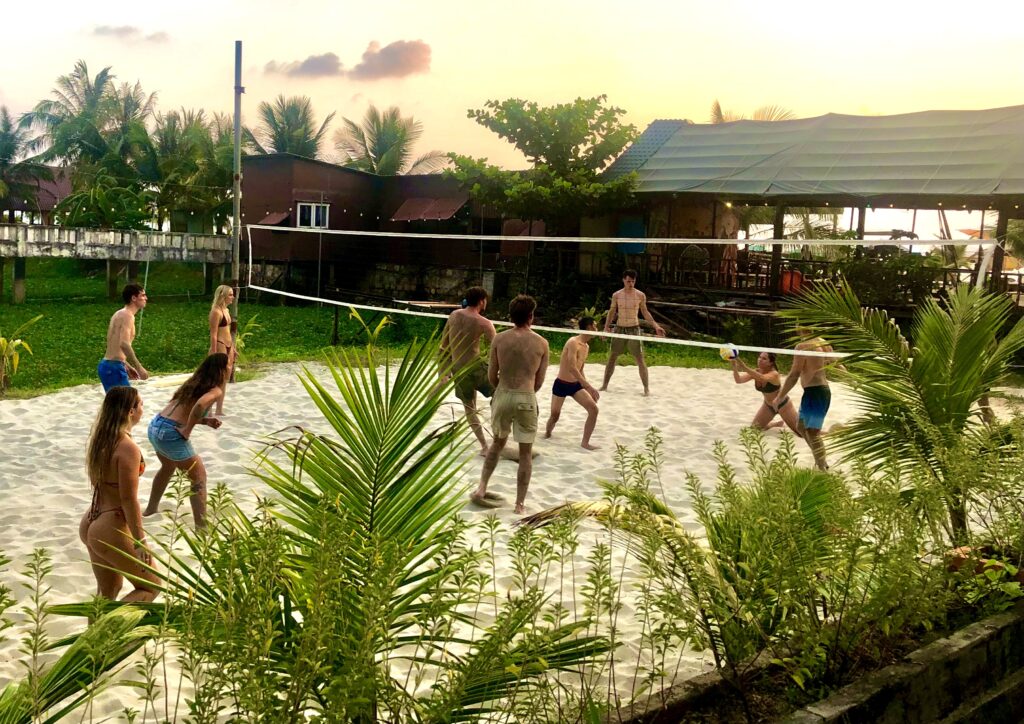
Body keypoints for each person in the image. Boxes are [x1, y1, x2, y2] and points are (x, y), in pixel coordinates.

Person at [79, 386, 159, 602]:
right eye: (140, 404)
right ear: (130, 412)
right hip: (110, 525)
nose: (143, 408)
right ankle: (112, 634)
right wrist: (140, 539)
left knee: (107, 591)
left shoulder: (101, 440)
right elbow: (128, 499)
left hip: (92, 519)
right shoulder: (127, 448)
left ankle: (93, 636)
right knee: (151, 586)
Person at [472, 295, 549, 515]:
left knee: (496, 444)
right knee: (525, 453)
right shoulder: (542, 343)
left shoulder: (500, 339)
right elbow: (539, 381)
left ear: (511, 316)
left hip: (503, 393)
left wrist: (501, 389)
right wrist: (525, 392)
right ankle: (519, 504)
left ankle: (482, 488)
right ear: (531, 316)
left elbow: (491, 374)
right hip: (525, 395)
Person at [144, 354, 228, 528]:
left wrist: (204, 421)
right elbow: (198, 406)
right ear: (222, 369)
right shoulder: (215, 390)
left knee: (167, 467)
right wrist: (188, 429)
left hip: (156, 425)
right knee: (198, 476)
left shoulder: (193, 383)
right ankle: (201, 527)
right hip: (170, 432)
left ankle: (151, 509)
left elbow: (184, 411)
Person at [439, 286, 497, 454]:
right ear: (481, 301)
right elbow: (495, 351)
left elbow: (444, 346)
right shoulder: (484, 323)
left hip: (457, 367)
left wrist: (443, 370)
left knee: (469, 408)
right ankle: (497, 438)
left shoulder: (454, 315)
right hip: (476, 366)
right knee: (499, 394)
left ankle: (484, 446)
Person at [774, 328, 835, 470]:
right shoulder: (823, 342)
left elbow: (794, 375)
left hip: (816, 393)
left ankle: (822, 467)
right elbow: (837, 363)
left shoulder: (802, 346)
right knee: (801, 427)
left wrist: (780, 396)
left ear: (798, 326)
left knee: (812, 433)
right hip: (818, 392)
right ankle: (821, 461)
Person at [600, 269, 666, 396]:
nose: (631, 284)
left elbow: (645, 312)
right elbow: (612, 312)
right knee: (612, 356)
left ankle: (646, 389)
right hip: (620, 328)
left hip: (633, 328)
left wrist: (656, 326)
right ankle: (604, 385)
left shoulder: (640, 295)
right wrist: (606, 328)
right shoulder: (617, 295)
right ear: (624, 280)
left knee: (640, 359)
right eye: (628, 281)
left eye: (633, 281)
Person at [544, 316, 601, 450]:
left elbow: (580, 369)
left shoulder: (586, 346)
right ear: (588, 327)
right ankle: (547, 433)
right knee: (555, 415)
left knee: (593, 409)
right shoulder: (573, 342)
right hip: (562, 383)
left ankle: (585, 442)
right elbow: (572, 367)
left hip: (575, 386)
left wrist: (587, 388)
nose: (596, 329)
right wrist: (589, 387)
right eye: (595, 326)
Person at [730, 351, 802, 436]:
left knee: (801, 432)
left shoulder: (774, 374)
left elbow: (762, 378)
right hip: (768, 406)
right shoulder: (756, 372)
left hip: (782, 405)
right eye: (759, 357)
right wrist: (734, 367)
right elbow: (739, 380)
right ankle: (773, 424)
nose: (760, 360)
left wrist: (743, 366)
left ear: (770, 363)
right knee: (754, 429)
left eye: (764, 358)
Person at [98, 283, 150, 392]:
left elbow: (113, 344)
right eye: (143, 295)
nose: (146, 298)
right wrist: (139, 367)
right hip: (113, 367)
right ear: (133, 298)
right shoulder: (127, 316)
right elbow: (124, 344)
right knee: (128, 405)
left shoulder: (120, 313)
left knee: (119, 406)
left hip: (109, 365)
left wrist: (126, 364)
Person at [208, 284, 237, 416]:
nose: (233, 297)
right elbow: (213, 334)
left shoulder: (226, 310)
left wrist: (234, 348)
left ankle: (219, 409)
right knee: (216, 378)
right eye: (230, 294)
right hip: (219, 344)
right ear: (223, 296)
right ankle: (208, 409)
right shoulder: (216, 311)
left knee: (225, 378)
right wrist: (213, 351)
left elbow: (229, 331)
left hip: (229, 344)